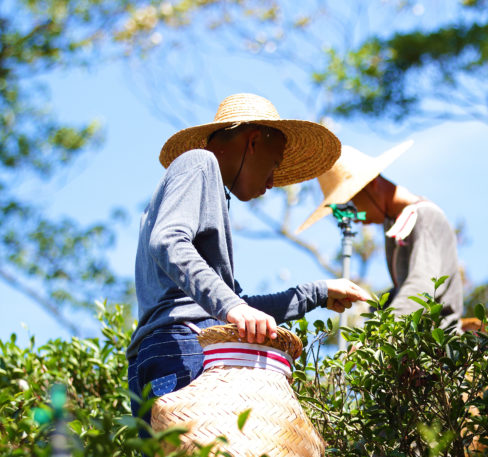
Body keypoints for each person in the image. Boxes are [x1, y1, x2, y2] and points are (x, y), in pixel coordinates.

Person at [127, 93, 370, 420]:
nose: (272, 182)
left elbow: (237, 305)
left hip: (171, 347)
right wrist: (233, 307)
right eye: (274, 165)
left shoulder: (210, 187)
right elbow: (168, 241)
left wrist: (316, 294)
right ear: (253, 142)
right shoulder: (199, 162)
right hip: (181, 346)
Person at [296, 141, 463, 330]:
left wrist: (378, 338)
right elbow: (404, 288)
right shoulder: (394, 223)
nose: (353, 217)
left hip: (439, 344)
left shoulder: (425, 216)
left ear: (372, 184)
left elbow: (421, 286)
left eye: (352, 205)